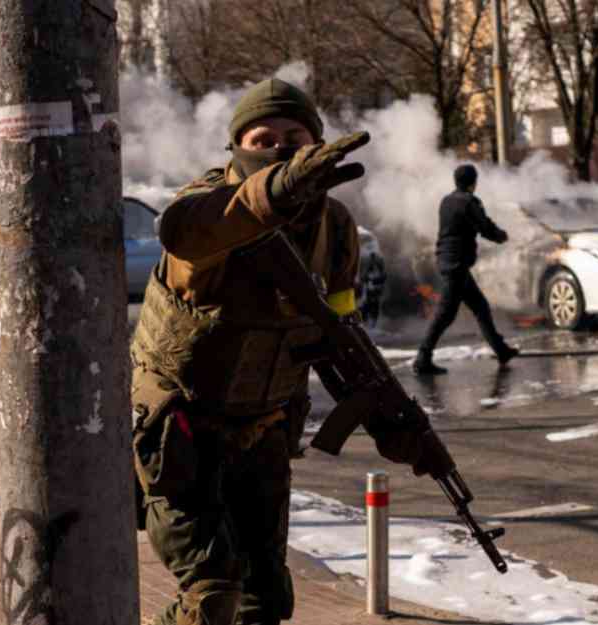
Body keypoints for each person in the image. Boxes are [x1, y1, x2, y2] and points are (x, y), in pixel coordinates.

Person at [129, 78, 428, 625]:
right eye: (262, 138)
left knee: (265, 600)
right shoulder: (205, 207)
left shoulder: (335, 229)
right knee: (212, 595)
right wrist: (273, 193)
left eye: (295, 136)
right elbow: (185, 234)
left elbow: (340, 335)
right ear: (236, 145)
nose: (280, 148)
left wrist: (393, 424)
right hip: (183, 434)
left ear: (317, 142)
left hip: (263, 429)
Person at [412, 164, 518, 375]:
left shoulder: (447, 201)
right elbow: (485, 227)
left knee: (480, 307)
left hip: (448, 261)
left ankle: (501, 350)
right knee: (445, 315)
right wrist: (502, 235)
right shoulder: (469, 202)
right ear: (473, 182)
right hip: (457, 265)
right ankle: (422, 359)